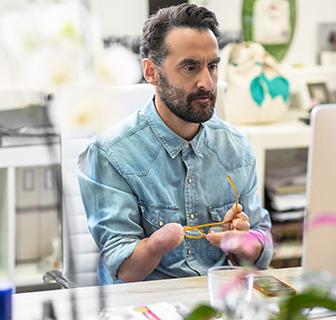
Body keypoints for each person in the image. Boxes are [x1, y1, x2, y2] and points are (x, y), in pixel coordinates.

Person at [77, 4, 273, 284]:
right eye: (190, 67)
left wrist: (247, 244)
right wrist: (157, 244)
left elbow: (261, 243)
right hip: (149, 305)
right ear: (151, 72)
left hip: (220, 301)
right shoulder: (109, 153)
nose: (206, 82)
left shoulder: (237, 147)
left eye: (213, 66)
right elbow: (124, 270)